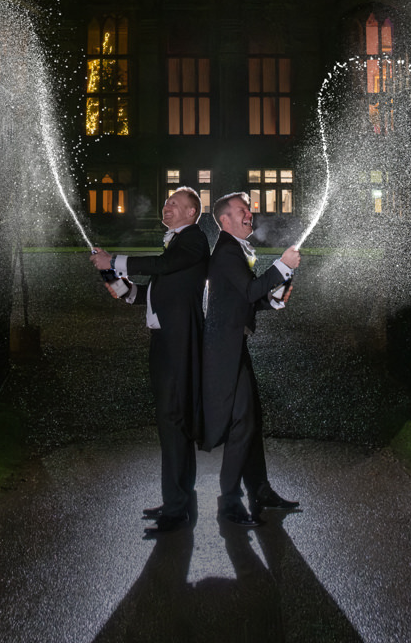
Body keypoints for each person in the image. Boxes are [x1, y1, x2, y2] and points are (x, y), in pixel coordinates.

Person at [91, 186, 209, 534]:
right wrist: (120, 285)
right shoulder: (176, 245)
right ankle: (177, 500)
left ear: (191, 213)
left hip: (176, 345)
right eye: (166, 201)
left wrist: (114, 260)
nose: (167, 206)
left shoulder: (194, 240)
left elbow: (163, 265)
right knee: (173, 425)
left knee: (173, 423)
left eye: (175, 203)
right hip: (165, 343)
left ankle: (176, 509)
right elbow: (153, 291)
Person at [202, 191, 301, 527]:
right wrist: (282, 266)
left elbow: (245, 299)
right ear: (225, 219)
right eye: (242, 211)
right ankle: (229, 502)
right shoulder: (227, 251)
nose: (250, 215)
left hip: (232, 348)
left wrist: (272, 298)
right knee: (243, 423)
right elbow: (248, 291)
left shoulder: (234, 251)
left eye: (249, 210)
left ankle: (259, 490)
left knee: (250, 420)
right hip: (222, 351)